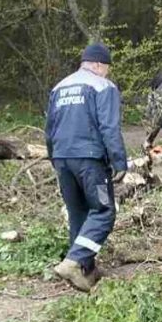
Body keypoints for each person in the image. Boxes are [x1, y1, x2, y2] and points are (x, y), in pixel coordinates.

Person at [45, 42, 128, 292]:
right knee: (104, 211)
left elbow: (50, 128)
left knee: (78, 212)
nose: (107, 73)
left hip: (62, 158)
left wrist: (54, 158)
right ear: (99, 65)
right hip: (89, 159)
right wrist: (119, 162)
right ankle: (73, 262)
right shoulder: (103, 86)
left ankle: (86, 270)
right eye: (107, 69)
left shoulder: (59, 87)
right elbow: (109, 127)